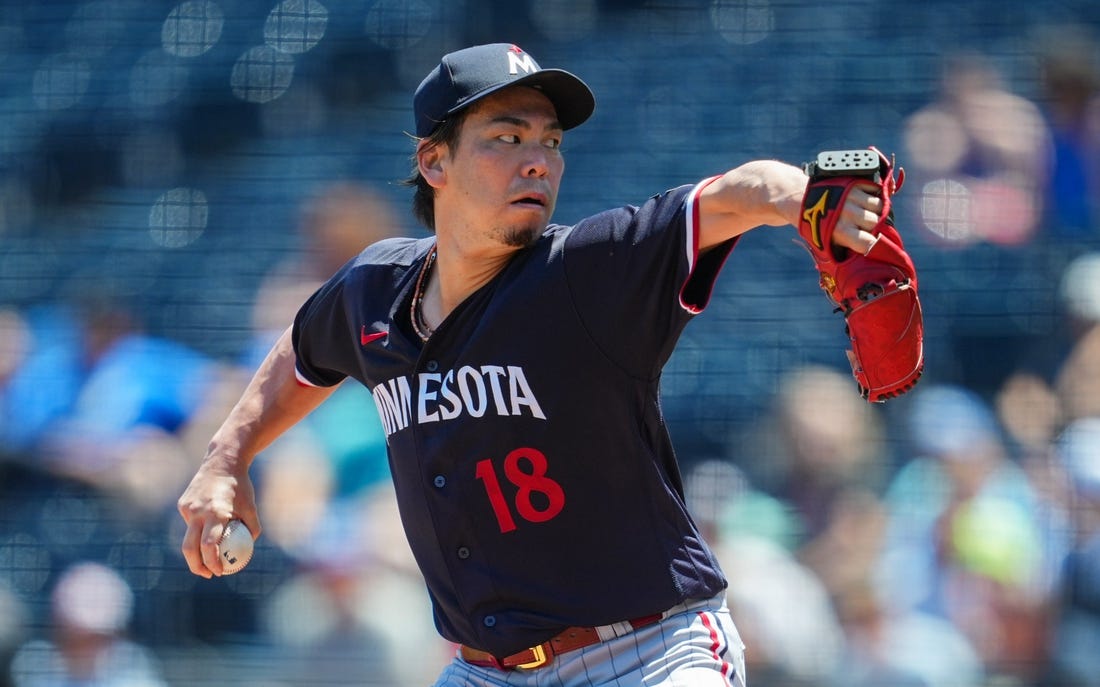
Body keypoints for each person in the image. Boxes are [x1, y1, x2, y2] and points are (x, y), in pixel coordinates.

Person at [177, 42, 894, 686]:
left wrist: (804, 198)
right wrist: (226, 456)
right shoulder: (374, 290)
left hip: (647, 656)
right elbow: (304, 352)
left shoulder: (585, 270)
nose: (539, 160)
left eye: (551, 142)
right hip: (485, 672)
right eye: (507, 137)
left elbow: (737, 193)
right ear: (434, 161)